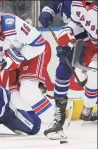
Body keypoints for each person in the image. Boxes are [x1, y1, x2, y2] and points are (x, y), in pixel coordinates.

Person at [0, 3, 54, 127]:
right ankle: (50, 105)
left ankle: (54, 124)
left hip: (33, 54)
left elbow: (39, 44)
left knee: (27, 90)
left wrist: (16, 57)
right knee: (17, 101)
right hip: (12, 62)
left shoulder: (12, 23)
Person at [39, 0, 97, 139]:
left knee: (94, 76)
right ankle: (58, 119)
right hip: (90, 43)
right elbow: (75, 24)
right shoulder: (77, 4)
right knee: (64, 65)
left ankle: (88, 106)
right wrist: (66, 36)